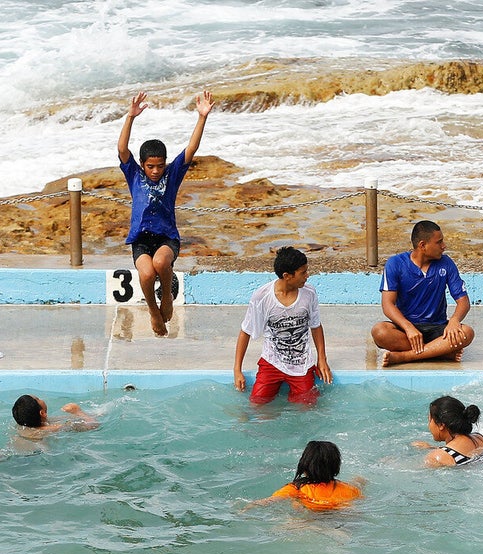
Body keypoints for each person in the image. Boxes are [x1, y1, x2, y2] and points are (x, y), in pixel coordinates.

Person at [117, 89, 215, 337]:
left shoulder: (172, 175)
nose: (156, 170)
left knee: (160, 262)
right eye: (150, 166)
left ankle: (168, 297)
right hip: (140, 238)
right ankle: (153, 309)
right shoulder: (134, 175)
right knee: (147, 273)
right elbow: (122, 149)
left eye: (160, 165)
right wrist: (130, 117)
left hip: (166, 237)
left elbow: (191, 149)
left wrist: (202, 117)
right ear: (142, 165)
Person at [233, 246, 333, 405]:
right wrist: (237, 370)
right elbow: (245, 331)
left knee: (308, 406)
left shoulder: (309, 293)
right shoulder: (262, 297)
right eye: (303, 273)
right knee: (257, 405)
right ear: (287, 276)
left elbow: (316, 326)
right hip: (271, 362)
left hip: (302, 365)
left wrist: (322, 359)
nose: (307, 276)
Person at [371, 220, 474, 366]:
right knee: (379, 332)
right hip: (406, 330)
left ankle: (405, 356)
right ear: (422, 245)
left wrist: (454, 320)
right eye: (439, 242)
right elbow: (388, 304)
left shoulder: (446, 263)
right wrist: (408, 327)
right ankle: (438, 352)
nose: (444, 246)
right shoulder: (395, 264)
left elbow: (463, 301)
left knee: (467, 332)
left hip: (437, 328)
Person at [247, 441, 365, 512]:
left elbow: (269, 501)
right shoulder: (350, 490)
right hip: (339, 515)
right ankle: (360, 480)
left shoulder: (296, 489)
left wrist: (248, 507)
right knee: (357, 484)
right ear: (336, 467)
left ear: (304, 466)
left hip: (311, 519)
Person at [411, 395, 483, 467]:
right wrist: (432, 447)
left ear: (441, 425)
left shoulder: (437, 458)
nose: (429, 425)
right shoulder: (481, 438)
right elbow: (464, 453)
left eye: (429, 420)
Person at [11, 394, 98, 437]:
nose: (41, 399)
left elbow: (69, 418)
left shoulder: (24, 427)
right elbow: (94, 425)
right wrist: (78, 412)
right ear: (42, 413)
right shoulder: (54, 428)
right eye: (38, 399)